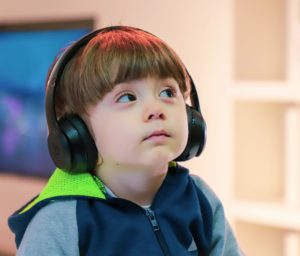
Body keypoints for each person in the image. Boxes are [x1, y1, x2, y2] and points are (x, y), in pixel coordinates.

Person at [8, 25, 243, 255]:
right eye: (127, 97)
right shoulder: (60, 222)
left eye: (168, 92)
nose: (156, 109)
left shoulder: (199, 198)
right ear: (77, 132)